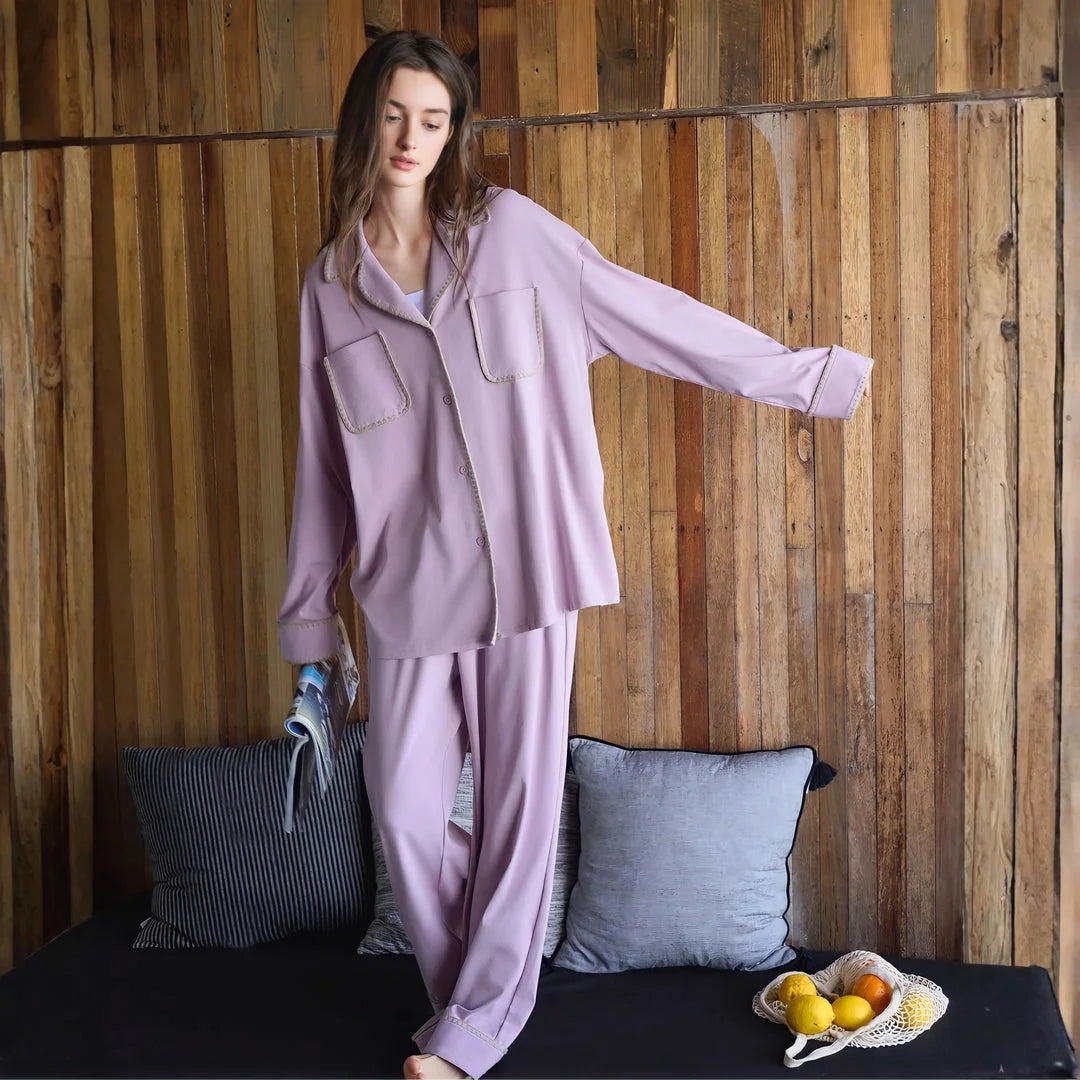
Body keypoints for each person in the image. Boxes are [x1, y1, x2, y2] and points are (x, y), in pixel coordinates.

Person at [277, 29, 873, 1080]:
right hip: (408, 595)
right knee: (406, 811)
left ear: (455, 129)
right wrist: (312, 628)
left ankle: (469, 1036)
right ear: (363, 118)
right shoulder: (329, 288)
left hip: (530, 575)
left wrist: (805, 377)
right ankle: (475, 1005)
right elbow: (323, 472)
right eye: (394, 114)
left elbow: (650, 316)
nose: (413, 138)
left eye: (435, 118)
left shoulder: (512, 236)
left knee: (516, 815)